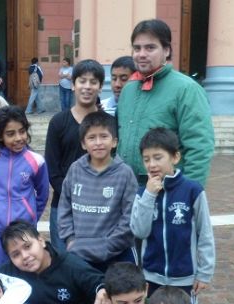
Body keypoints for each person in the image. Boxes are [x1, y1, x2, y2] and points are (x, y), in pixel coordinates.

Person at [117, 19, 214, 187]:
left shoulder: (187, 89)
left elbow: (199, 147)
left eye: (150, 47)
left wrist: (188, 193)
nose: (141, 54)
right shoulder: (128, 90)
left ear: (167, 50)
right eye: (137, 48)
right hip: (126, 187)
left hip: (167, 187)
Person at [130, 128, 215, 304]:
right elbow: (139, 231)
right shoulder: (142, 193)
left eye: (158, 157)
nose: (151, 164)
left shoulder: (193, 190)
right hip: (151, 277)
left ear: (175, 157)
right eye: (146, 159)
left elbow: (204, 233)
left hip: (184, 277)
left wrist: (204, 273)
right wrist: (149, 195)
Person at [0, 220, 108, 304]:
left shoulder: (70, 265)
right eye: (16, 254)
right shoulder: (8, 274)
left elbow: (100, 283)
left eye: (28, 246)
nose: (25, 256)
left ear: (41, 240)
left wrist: (102, 290)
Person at [58, 111, 138, 273]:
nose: (98, 142)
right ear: (83, 143)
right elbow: (64, 208)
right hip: (79, 254)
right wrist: (70, 240)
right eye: (92, 138)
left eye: (104, 136)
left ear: (114, 141)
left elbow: (130, 217)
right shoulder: (75, 170)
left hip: (117, 256)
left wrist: (108, 246)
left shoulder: (125, 174)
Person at [45, 59, 105, 251]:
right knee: (64, 265)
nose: (87, 87)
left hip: (101, 208)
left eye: (93, 82)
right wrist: (77, 198)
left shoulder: (108, 124)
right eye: (82, 81)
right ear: (72, 84)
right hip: (64, 207)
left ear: (101, 87)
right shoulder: (58, 122)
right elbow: (52, 170)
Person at [0, 106, 49, 268]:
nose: (18, 138)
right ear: (0, 136)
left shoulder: (36, 161)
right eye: (10, 134)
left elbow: (42, 195)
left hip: (24, 232)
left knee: (25, 277)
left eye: (22, 131)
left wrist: (31, 218)